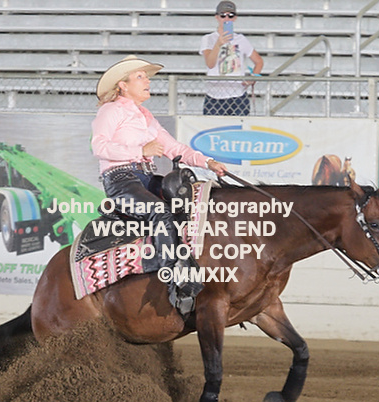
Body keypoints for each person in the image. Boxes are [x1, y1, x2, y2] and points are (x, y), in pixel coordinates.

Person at [91, 55, 227, 316]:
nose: (148, 81)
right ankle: (172, 276)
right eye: (140, 76)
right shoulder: (110, 111)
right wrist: (140, 150)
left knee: (191, 206)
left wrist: (208, 162)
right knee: (160, 211)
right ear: (123, 85)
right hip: (120, 180)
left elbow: (174, 148)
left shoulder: (145, 116)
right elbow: (99, 146)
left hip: (144, 178)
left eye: (146, 76)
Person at [200, 1, 264, 116]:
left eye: (230, 15)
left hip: (237, 95)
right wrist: (218, 44)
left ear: (235, 18)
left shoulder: (241, 39)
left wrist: (252, 78)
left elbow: (258, 61)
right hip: (214, 96)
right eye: (223, 15)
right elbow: (210, 63)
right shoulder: (208, 39)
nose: (226, 19)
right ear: (217, 17)